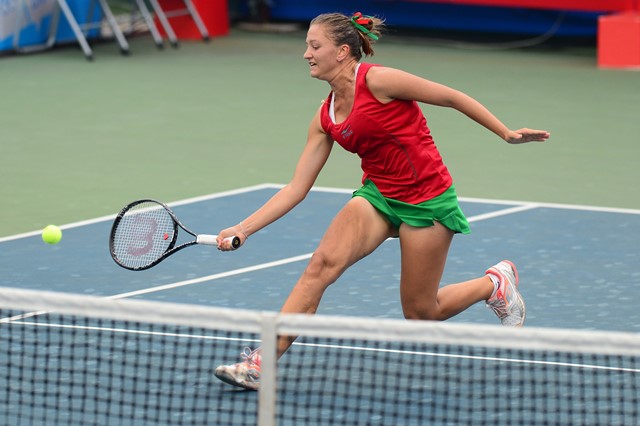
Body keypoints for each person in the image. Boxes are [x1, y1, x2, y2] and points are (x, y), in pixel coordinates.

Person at [213, 11, 550, 390]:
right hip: (378, 197)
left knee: (421, 312)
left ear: (342, 51)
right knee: (319, 267)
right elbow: (297, 187)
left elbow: (451, 97)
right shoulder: (325, 117)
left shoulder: (380, 81)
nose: (306, 54)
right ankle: (261, 364)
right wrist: (244, 228)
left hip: (426, 199)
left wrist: (505, 133)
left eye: (314, 46)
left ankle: (494, 284)